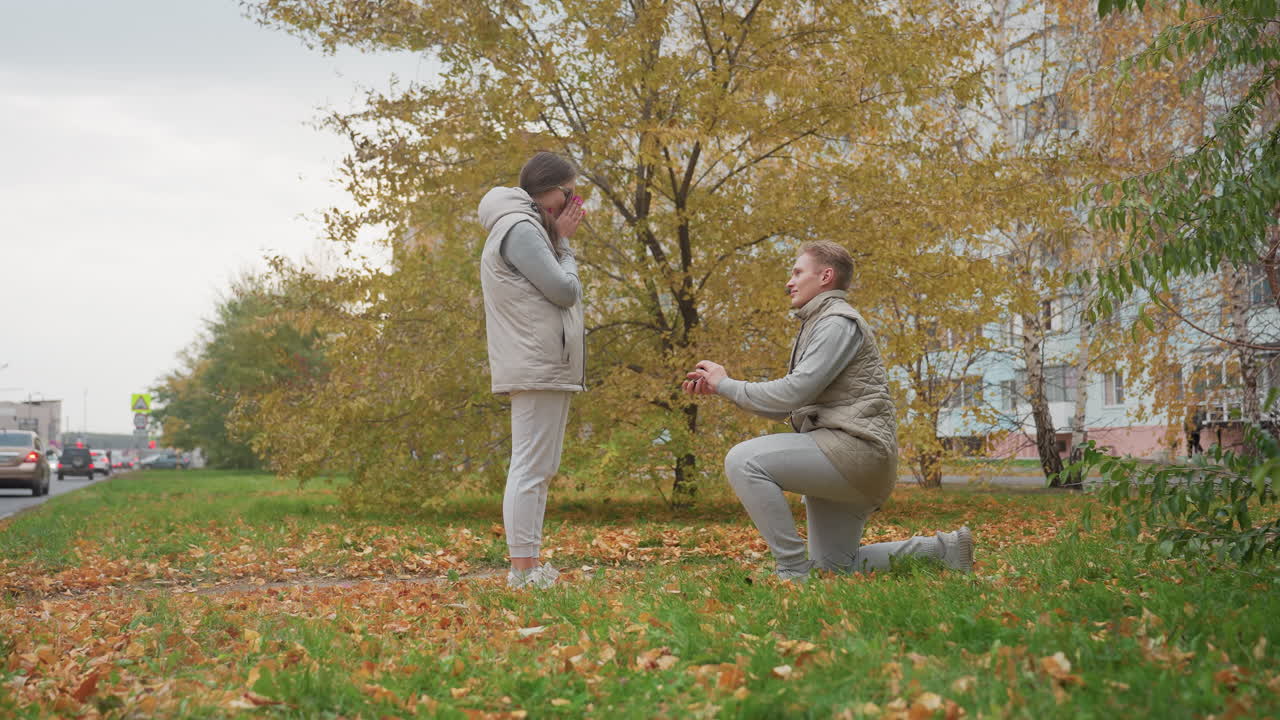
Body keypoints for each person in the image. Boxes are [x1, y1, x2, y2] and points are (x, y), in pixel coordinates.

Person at [682, 241, 973, 580]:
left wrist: (727, 384)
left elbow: (792, 393)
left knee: (742, 460)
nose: (789, 282)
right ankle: (947, 549)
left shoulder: (837, 322)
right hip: (843, 455)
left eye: (797, 272)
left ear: (825, 276)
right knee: (837, 567)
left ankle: (791, 571)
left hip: (854, 452)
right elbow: (787, 407)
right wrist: (722, 388)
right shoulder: (819, 323)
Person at [478, 151, 587, 589]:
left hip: (542, 363)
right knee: (530, 468)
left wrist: (556, 240)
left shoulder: (523, 225)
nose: (573, 202)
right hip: (537, 363)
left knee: (538, 467)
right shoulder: (522, 228)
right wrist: (562, 243)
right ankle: (523, 574)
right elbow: (564, 290)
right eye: (568, 192)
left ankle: (529, 568)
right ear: (550, 190)